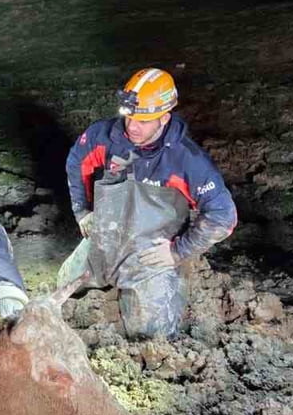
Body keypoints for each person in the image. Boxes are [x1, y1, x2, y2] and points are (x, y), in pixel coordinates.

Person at [65, 67, 237, 268]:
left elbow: (223, 215)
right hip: (109, 234)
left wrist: (177, 252)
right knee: (69, 277)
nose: (132, 127)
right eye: (129, 117)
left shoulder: (187, 161)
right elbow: (76, 163)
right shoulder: (103, 136)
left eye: (143, 121)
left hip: (156, 248)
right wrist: (82, 210)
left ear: (164, 118)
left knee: (151, 298)